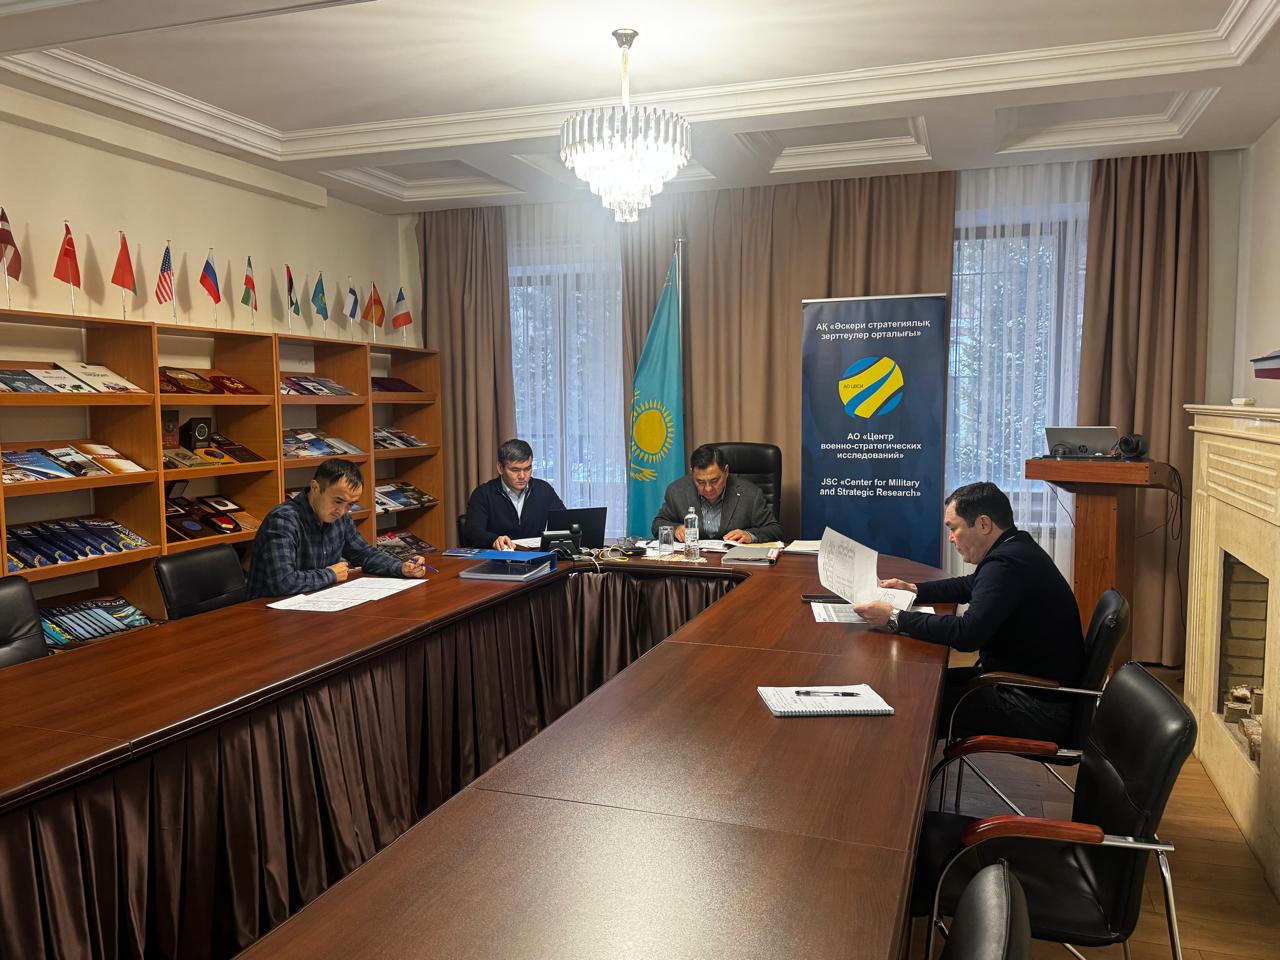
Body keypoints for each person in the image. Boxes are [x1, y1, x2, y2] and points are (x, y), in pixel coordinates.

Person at [853, 481, 1084, 742]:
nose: (951, 538)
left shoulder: (1006, 564)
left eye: (954, 528)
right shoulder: (1015, 547)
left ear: (984, 524)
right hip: (1026, 686)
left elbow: (967, 634)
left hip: (1036, 706)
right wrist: (914, 589)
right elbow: (970, 585)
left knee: (914, 704)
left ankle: (899, 767)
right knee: (918, 686)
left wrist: (895, 618)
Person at [248, 458, 430, 598]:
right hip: (266, 615)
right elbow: (283, 582)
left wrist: (401, 567)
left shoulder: (340, 517)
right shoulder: (283, 519)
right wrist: (330, 575)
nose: (342, 511)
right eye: (338, 501)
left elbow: (364, 555)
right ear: (315, 488)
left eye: (350, 504)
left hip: (314, 605)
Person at [651, 443, 782, 544]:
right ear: (692, 473)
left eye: (714, 481)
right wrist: (676, 529)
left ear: (726, 471)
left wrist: (749, 536)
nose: (708, 489)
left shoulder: (750, 494)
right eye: (700, 482)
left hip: (733, 564)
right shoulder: (677, 491)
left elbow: (774, 530)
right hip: (692, 562)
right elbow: (658, 524)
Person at [462, 438, 566, 549]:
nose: (522, 476)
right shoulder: (483, 494)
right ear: (500, 468)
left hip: (535, 555)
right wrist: (494, 540)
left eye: (527, 469)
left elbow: (564, 522)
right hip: (498, 556)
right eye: (515, 470)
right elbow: (472, 533)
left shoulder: (544, 490)